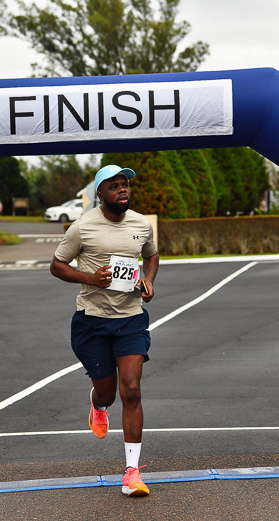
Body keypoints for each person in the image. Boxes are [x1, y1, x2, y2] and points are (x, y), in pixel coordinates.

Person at [50, 164, 159, 497]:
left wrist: (149, 281)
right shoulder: (82, 228)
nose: (123, 190)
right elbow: (56, 266)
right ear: (100, 193)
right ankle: (98, 405)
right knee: (109, 393)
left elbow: (152, 256)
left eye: (125, 185)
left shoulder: (142, 223)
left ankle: (132, 473)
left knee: (132, 389)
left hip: (130, 319)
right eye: (114, 186)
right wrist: (90, 278)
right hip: (92, 321)